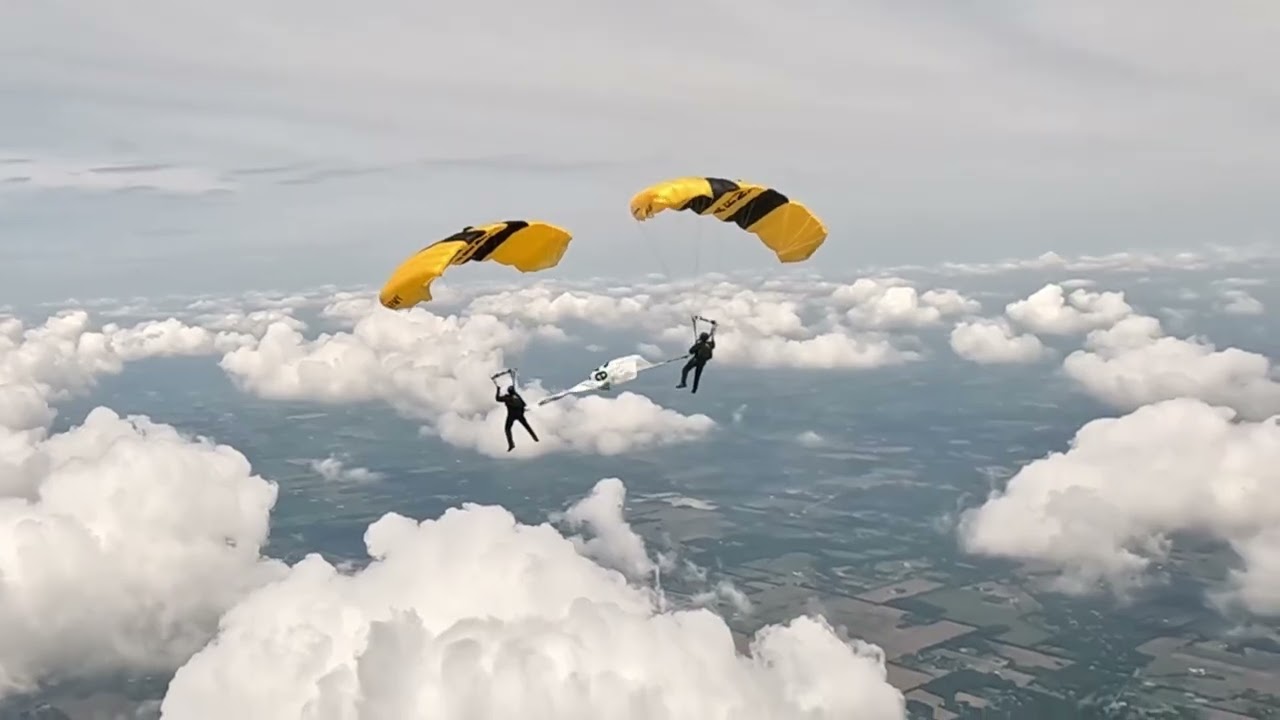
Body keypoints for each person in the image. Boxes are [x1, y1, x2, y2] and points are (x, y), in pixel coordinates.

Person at [496, 384, 539, 451]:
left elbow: (497, 399)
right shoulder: (517, 397)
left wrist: (498, 390)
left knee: (507, 429)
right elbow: (524, 405)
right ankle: (535, 438)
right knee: (527, 426)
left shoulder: (507, 398)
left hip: (511, 416)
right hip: (520, 415)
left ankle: (511, 444)